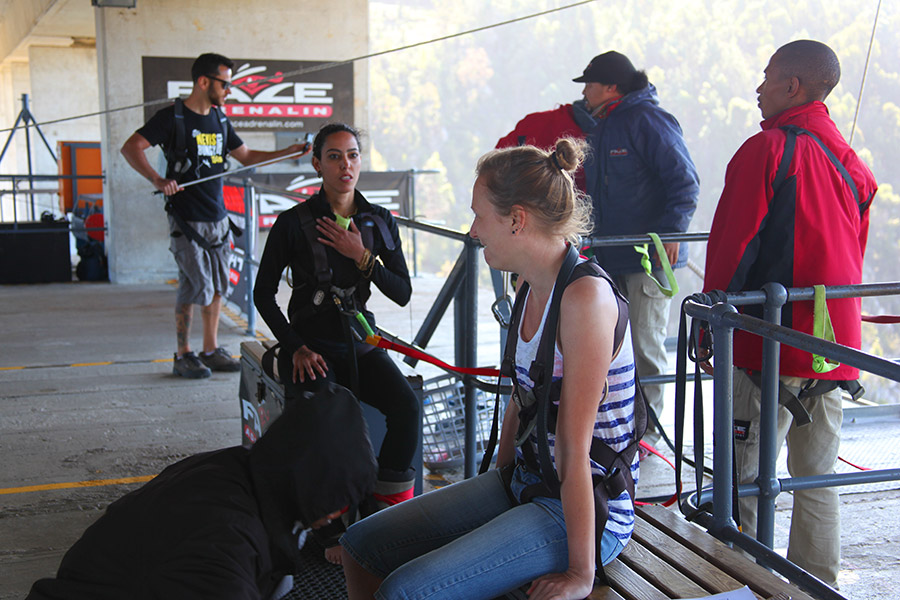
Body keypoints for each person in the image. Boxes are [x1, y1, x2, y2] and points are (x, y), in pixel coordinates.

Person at [340, 139, 641, 600]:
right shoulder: (529, 286)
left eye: (480, 215)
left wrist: (581, 575)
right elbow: (521, 400)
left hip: (585, 508)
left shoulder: (584, 299)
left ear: (517, 220)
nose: (474, 231)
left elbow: (573, 450)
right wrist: (498, 485)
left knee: (404, 591)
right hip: (529, 480)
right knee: (358, 545)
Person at [703, 40, 877, 587]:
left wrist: (711, 323)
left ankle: (743, 584)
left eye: (767, 77)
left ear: (792, 87)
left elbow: (733, 246)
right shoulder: (853, 166)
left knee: (748, 477)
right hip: (833, 348)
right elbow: (854, 250)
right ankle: (813, 587)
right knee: (815, 478)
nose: (759, 88)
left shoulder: (767, 151)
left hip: (765, 342)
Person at [499, 51, 699, 449]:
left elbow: (685, 182)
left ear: (611, 87)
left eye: (589, 84)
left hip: (648, 257)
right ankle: (615, 430)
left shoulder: (648, 120)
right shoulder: (607, 124)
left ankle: (649, 439)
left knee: (644, 344)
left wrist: (672, 234)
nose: (584, 92)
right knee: (612, 349)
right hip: (610, 258)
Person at [26, 383, 378, 600]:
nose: (337, 514)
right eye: (338, 499)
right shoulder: (225, 549)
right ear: (315, 482)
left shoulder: (236, 469)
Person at [253, 122, 419, 563]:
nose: (345, 165)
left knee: (406, 406)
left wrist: (360, 255)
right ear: (316, 164)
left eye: (352, 155)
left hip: (360, 343)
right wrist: (295, 348)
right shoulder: (293, 224)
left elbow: (401, 291)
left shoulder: (378, 222)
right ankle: (327, 528)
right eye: (334, 156)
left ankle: (386, 509)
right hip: (313, 350)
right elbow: (262, 294)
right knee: (320, 427)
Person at [121, 52, 309, 379]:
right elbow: (131, 147)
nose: (229, 91)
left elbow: (246, 155)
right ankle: (184, 354)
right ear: (204, 81)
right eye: (225, 84)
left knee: (218, 286)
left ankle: (210, 350)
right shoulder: (173, 118)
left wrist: (287, 152)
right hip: (186, 219)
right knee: (196, 286)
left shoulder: (220, 120)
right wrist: (158, 179)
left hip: (218, 219)